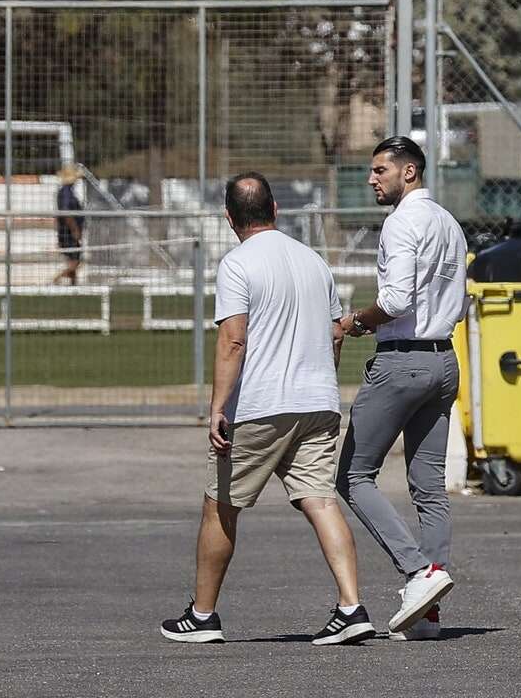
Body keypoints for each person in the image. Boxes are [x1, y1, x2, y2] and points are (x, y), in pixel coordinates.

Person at [160, 172, 375, 646]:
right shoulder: (314, 261)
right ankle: (351, 605)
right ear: (276, 210)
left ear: (228, 217)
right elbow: (336, 331)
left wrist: (218, 406)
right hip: (319, 403)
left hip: (260, 406)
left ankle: (202, 615)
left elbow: (234, 339)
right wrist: (322, 379)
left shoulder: (237, 264)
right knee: (320, 500)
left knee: (221, 506)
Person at [336, 136, 468, 641]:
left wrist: (356, 322)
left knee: (352, 475)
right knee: (429, 487)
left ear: (407, 173)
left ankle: (420, 573)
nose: (372, 179)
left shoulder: (401, 223)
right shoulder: (448, 223)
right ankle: (428, 617)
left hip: (402, 361)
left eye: (379, 171)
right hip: (444, 360)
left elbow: (394, 300)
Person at [52, 165, 86, 285]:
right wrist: (75, 229)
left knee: (74, 258)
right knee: (75, 261)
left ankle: (73, 284)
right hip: (68, 231)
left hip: (67, 231)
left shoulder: (67, 192)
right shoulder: (66, 193)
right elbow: (66, 213)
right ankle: (57, 278)